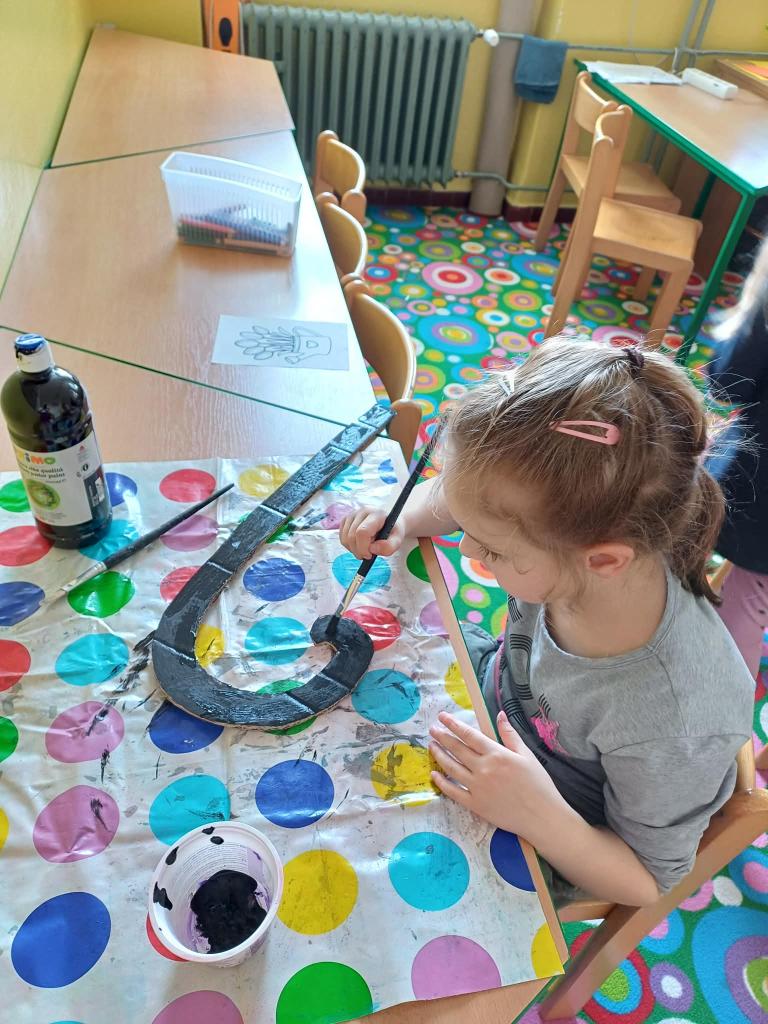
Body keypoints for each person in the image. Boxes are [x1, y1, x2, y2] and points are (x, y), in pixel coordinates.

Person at [340, 339, 754, 906]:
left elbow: (647, 882)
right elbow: (474, 499)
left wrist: (534, 812)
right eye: (471, 532)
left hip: (547, 830)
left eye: (493, 550)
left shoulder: (677, 717)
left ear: (602, 561)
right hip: (486, 703)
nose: (469, 552)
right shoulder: (582, 542)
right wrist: (403, 516)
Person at [706, 235, 768, 682]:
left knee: (744, 603)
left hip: (753, 503)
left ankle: (723, 703)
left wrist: (753, 307)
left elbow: (727, 384)